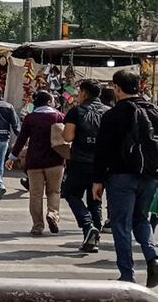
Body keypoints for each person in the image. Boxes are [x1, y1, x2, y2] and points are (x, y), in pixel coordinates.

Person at [93, 69, 158, 285]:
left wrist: (97, 180)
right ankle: (152, 257)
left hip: (120, 177)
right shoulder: (154, 112)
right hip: (149, 176)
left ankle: (127, 274)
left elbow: (103, 150)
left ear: (117, 88)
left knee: (121, 225)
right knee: (142, 219)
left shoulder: (113, 115)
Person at [8, 91, 65, 236]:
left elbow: (21, 139)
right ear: (48, 102)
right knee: (54, 191)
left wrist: (12, 157)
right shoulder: (59, 116)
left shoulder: (30, 118)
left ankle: (37, 226)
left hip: (34, 162)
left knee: (35, 195)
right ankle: (53, 214)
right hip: (55, 161)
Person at [61, 79, 109, 252]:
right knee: (95, 200)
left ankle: (87, 225)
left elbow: (68, 137)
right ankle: (92, 240)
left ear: (84, 93)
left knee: (70, 193)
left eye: (79, 92)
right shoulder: (108, 112)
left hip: (80, 162)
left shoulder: (76, 111)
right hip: (102, 164)